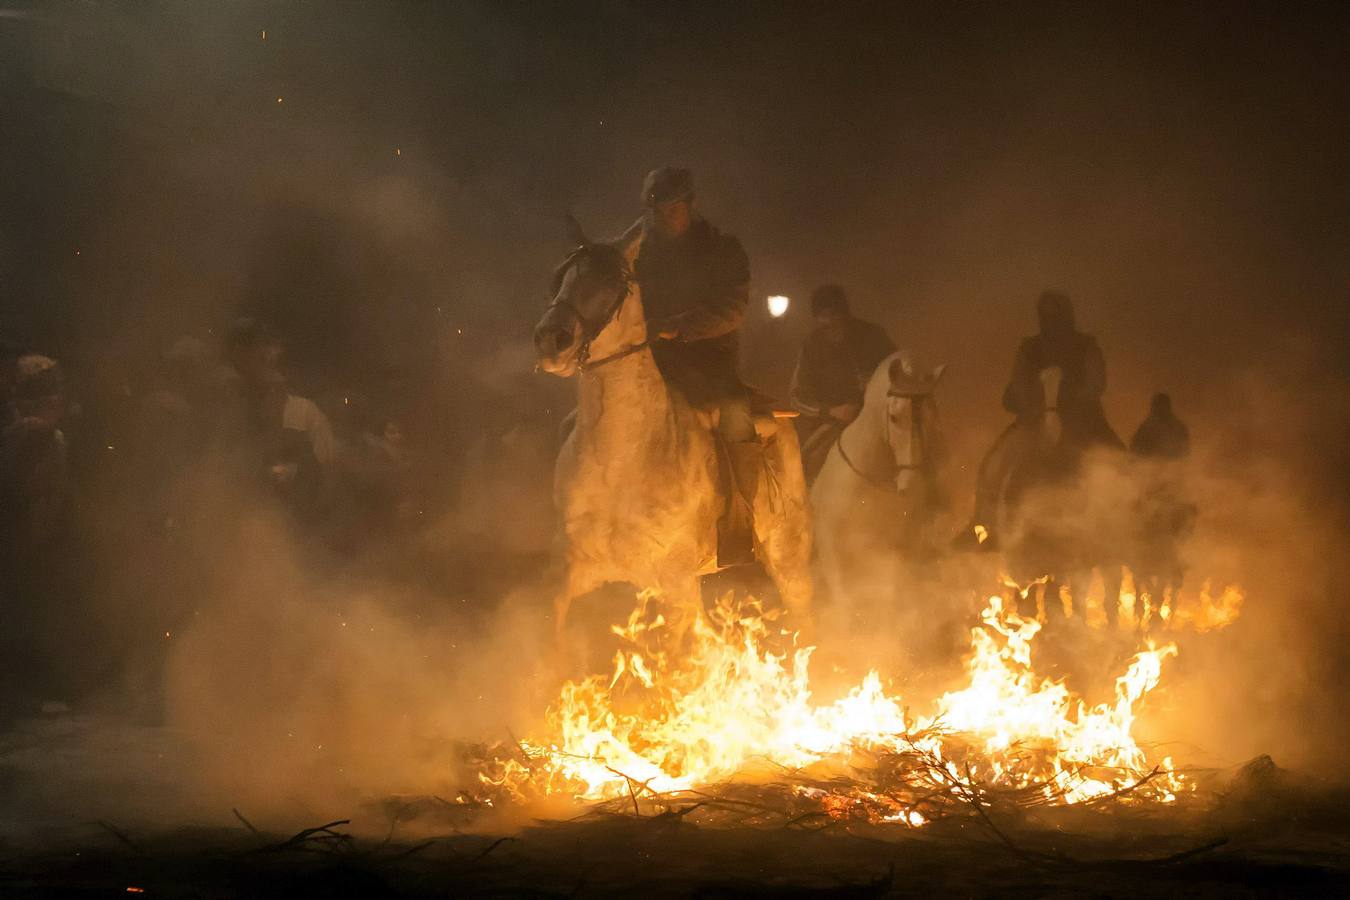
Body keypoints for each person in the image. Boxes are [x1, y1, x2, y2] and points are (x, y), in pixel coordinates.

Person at [632, 166, 757, 565]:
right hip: (649, 364)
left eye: (671, 209)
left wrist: (675, 328)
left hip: (710, 364)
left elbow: (732, 309)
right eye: (657, 210)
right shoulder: (636, 254)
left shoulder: (723, 250)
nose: (663, 217)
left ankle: (741, 521)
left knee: (736, 415)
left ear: (691, 206)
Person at [959, 290, 1121, 548]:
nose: (1051, 320)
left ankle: (1133, 526)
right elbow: (1019, 381)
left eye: (1056, 314)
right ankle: (983, 525)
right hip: (1034, 418)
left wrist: (1070, 399)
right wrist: (1036, 405)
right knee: (994, 460)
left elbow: (1096, 383)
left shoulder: (1086, 345)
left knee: (1119, 459)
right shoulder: (1030, 347)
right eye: (1046, 314)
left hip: (1082, 418)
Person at [224, 318, 336, 523]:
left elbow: (327, 475)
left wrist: (296, 473)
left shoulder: (304, 413)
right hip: (241, 526)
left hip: (299, 528)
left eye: (263, 354)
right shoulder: (227, 415)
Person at [789, 284, 896, 480]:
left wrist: (877, 381)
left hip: (883, 420)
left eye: (835, 314)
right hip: (833, 425)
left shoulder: (873, 336)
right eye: (824, 316)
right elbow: (797, 397)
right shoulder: (812, 346)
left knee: (920, 449)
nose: (830, 322)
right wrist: (831, 411)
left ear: (845, 314)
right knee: (809, 461)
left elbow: (899, 373)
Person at [1130, 393, 1190, 460]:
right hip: (1149, 466)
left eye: (1161, 406)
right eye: (1157, 406)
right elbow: (1136, 450)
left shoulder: (1177, 428)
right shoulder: (1146, 428)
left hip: (1171, 466)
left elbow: (1184, 451)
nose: (1159, 409)